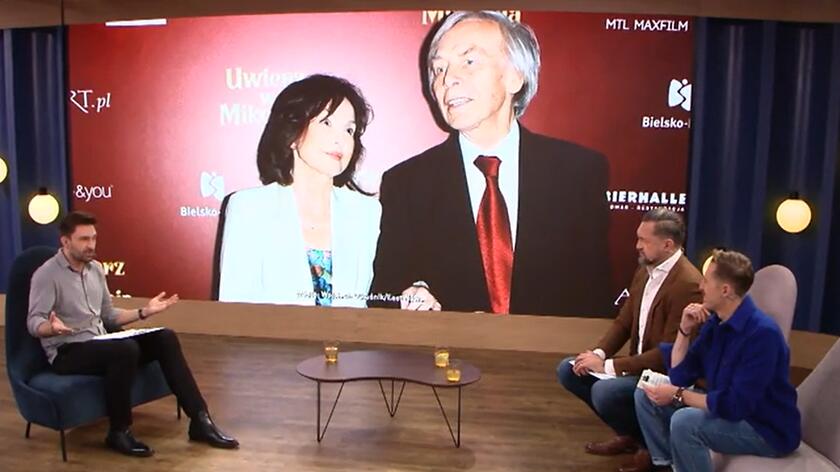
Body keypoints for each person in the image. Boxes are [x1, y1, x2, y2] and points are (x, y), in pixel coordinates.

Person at [370, 10, 612, 316]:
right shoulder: (406, 183)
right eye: (438, 69)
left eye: (469, 61)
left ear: (515, 76)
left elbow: (595, 303)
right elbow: (383, 296)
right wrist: (411, 295)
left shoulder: (578, 173)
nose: (447, 79)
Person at [27, 211, 238, 457]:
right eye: (84, 239)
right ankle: (119, 431)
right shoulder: (47, 275)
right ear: (65, 241)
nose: (91, 245)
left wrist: (144, 312)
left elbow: (108, 315)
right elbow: (33, 321)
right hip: (67, 351)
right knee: (124, 350)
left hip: (99, 341)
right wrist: (51, 328)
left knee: (165, 337)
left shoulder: (95, 269)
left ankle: (200, 420)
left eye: (94, 238)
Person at [626, 250, 801, 472]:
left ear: (725, 290)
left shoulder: (763, 335)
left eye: (706, 281)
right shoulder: (715, 323)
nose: (700, 286)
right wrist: (684, 330)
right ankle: (667, 466)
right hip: (729, 408)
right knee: (646, 395)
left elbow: (735, 406)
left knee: (685, 423)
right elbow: (680, 375)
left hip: (764, 427)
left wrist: (678, 395)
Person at [219, 74, 381, 307]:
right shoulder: (249, 208)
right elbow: (234, 310)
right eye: (327, 123)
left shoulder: (367, 213)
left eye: (349, 130)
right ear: (293, 134)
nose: (341, 140)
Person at [556, 209, 703, 458]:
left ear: (667, 245)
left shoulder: (687, 284)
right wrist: (598, 354)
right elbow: (623, 322)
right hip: (638, 367)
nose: (637, 246)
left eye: (644, 240)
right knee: (569, 369)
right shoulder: (645, 270)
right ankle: (630, 435)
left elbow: (667, 354)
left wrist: (609, 367)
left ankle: (650, 447)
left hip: (663, 375)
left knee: (605, 392)